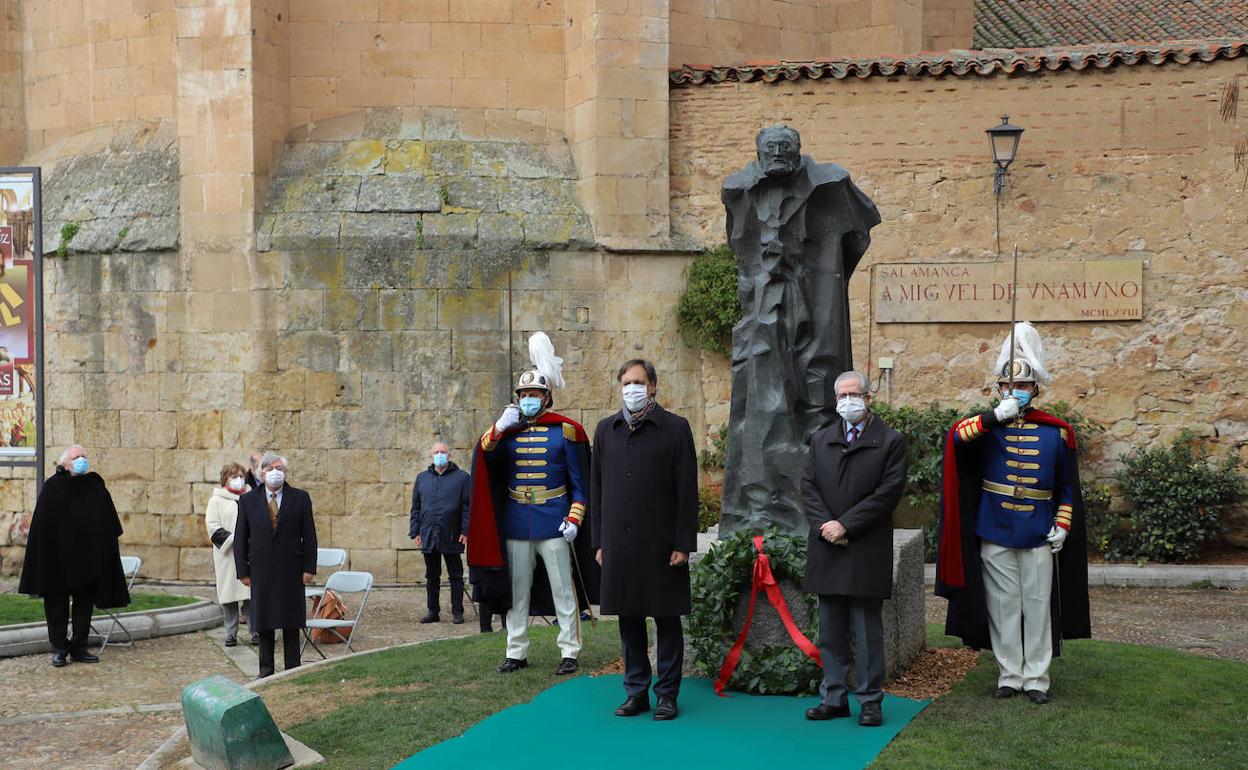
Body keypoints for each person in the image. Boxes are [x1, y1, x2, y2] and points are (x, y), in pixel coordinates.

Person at [720, 124, 882, 535]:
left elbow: (856, 239)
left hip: (813, 291)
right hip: (763, 304)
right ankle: (763, 500)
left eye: (784, 147)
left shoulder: (831, 183)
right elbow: (739, 248)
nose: (777, 153)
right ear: (758, 153)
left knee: (819, 382)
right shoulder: (739, 190)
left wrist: (821, 274)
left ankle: (817, 498)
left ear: (798, 151)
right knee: (764, 393)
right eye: (769, 148)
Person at [936, 322, 1090, 705]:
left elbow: (1067, 488)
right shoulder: (988, 426)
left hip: (1038, 529)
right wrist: (995, 416)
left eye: (1022, 387)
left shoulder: (1057, 432)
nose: (1015, 392)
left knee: (1037, 606)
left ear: (1035, 389)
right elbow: (957, 436)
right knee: (1004, 607)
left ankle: (1037, 677)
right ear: (998, 389)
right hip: (995, 526)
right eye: (1008, 386)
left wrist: (1062, 523)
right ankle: (1009, 673)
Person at [467, 332, 597, 676]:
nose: (528, 399)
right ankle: (516, 650)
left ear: (546, 397)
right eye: (523, 394)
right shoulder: (506, 431)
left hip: (554, 519)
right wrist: (497, 428)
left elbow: (581, 485)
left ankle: (569, 650)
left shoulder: (566, 431)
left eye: (534, 394)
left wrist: (574, 517)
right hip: (515, 521)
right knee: (517, 592)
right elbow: (484, 460)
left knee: (563, 591)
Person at [591, 359, 698, 721]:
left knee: (667, 620)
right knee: (630, 618)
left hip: (663, 545)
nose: (631, 388)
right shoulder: (607, 430)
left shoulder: (675, 428)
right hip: (620, 544)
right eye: (625, 382)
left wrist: (683, 543)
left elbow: (687, 491)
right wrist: (599, 541)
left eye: (638, 382)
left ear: (652, 385)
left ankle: (667, 694)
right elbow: (597, 490)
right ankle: (636, 691)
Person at [801, 372, 907, 727]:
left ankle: (870, 700)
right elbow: (808, 488)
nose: (848, 400)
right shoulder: (821, 440)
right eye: (841, 395)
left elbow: (887, 494)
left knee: (866, 629)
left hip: (865, 547)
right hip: (827, 545)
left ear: (867, 397)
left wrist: (846, 524)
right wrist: (827, 526)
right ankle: (833, 697)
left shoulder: (890, 442)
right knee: (830, 629)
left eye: (854, 394)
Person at [19, 444, 130, 667]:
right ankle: (59, 648)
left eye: (84, 456)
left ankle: (79, 647)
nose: (81, 460)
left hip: (87, 560)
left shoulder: (95, 487)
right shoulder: (53, 487)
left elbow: (109, 523)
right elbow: (43, 526)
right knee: (56, 606)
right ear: (66, 464)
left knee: (83, 605)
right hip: (58, 560)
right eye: (76, 457)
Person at [235, 453, 318, 678]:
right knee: (265, 622)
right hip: (261, 570)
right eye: (270, 468)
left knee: (291, 621)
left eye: (279, 467)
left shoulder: (300, 498)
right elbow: (241, 537)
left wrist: (309, 567)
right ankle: (266, 671)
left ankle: (292, 670)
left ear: (285, 472)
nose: (275, 472)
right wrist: (242, 570)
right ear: (261, 473)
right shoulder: (248, 500)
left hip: (291, 569)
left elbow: (309, 535)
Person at [410, 440, 471, 624]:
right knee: (432, 576)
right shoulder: (422, 478)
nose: (439, 455)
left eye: (442, 451)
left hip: (452, 533)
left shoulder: (462, 478)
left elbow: (468, 507)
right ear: (431, 456)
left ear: (449, 455)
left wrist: (465, 531)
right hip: (429, 533)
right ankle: (433, 611)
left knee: (455, 576)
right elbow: (416, 507)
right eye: (436, 452)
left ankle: (457, 612)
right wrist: (415, 531)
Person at [205, 462, 252, 647]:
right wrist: (236, 538)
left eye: (241, 476)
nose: (239, 480)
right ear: (225, 479)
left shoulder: (250, 497)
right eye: (234, 476)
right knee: (229, 594)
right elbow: (213, 526)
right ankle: (231, 632)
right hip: (228, 554)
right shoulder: (216, 500)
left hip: (249, 553)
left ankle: (255, 630)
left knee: (251, 594)